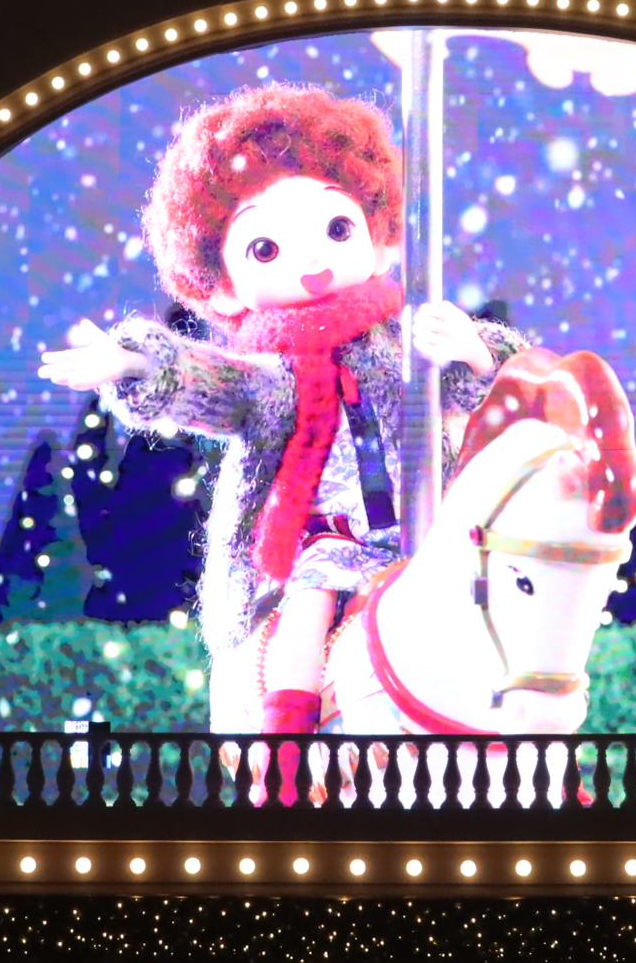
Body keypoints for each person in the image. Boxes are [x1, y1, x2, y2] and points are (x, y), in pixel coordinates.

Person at [38, 84, 525, 733]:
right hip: (326, 536)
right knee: (309, 602)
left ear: (379, 236)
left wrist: (476, 352)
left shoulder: (405, 340)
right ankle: (286, 735)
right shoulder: (271, 375)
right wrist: (139, 362)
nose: (313, 258)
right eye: (265, 247)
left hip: (426, 528)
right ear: (223, 282)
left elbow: (493, 388)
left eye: (337, 227)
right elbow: (214, 382)